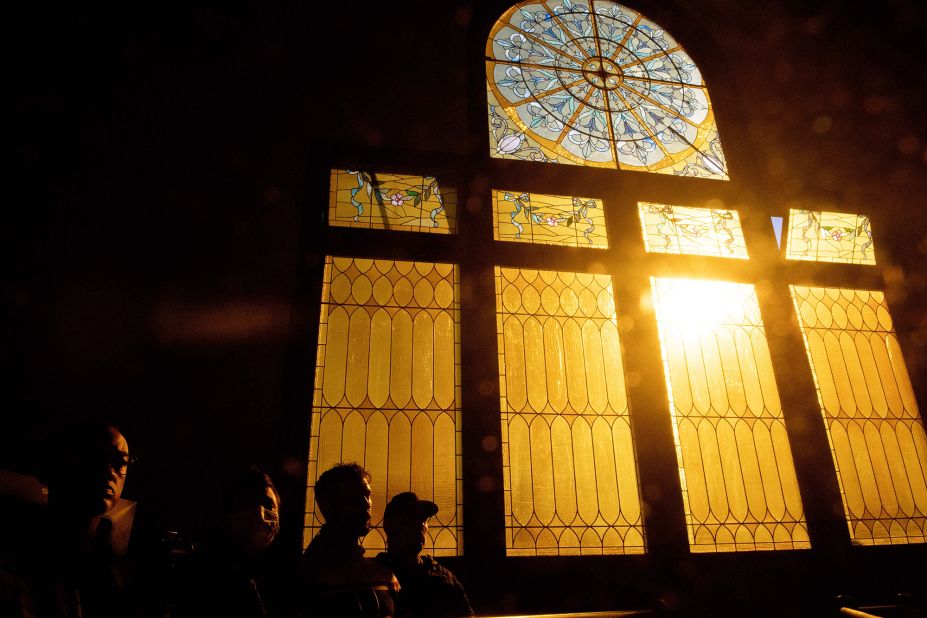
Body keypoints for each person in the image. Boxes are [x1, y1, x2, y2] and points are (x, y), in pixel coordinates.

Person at [1, 421, 135, 617]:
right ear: (52, 465)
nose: (108, 471)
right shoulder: (10, 564)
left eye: (120, 462)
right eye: (93, 456)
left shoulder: (110, 582)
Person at [173, 466, 281, 617]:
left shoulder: (270, 577)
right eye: (249, 502)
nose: (259, 511)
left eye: (269, 506)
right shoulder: (208, 570)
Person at [301, 463, 399, 617]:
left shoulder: (384, 576)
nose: (366, 504)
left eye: (367, 495)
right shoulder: (309, 576)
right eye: (354, 496)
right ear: (327, 505)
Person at [374, 492, 472, 618]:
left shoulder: (444, 576)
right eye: (410, 519)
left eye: (424, 519)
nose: (420, 525)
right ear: (389, 525)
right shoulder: (374, 577)